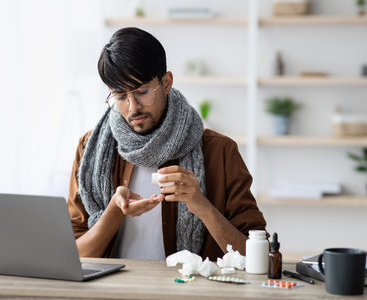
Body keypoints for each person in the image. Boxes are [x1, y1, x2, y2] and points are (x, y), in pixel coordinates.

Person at [67, 27, 266, 260]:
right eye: (120, 97)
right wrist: (113, 213)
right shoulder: (89, 149)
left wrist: (202, 206)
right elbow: (73, 256)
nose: (133, 108)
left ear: (167, 82)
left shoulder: (220, 152)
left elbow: (257, 258)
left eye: (142, 92)